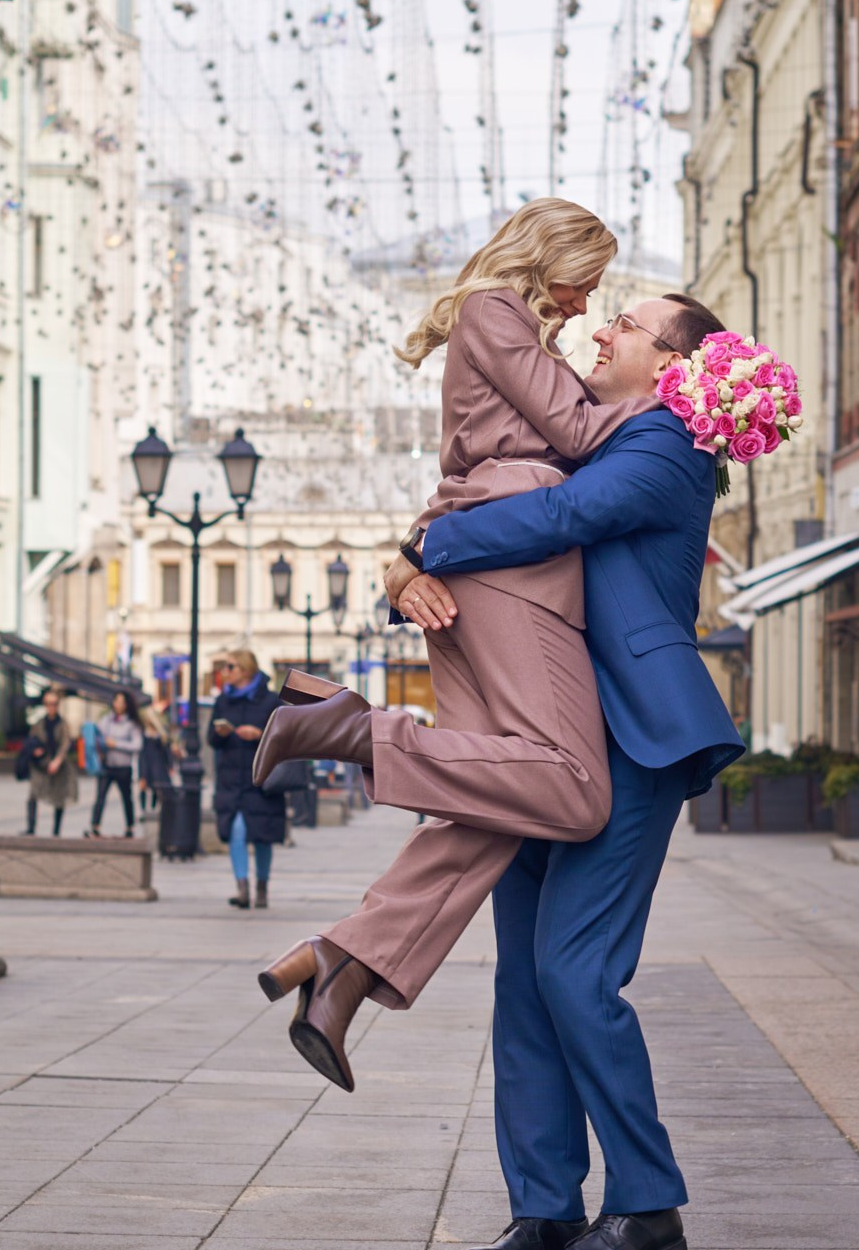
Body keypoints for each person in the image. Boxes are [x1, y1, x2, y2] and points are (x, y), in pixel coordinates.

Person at [267, 293, 743, 1250]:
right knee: (524, 982)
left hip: (633, 740)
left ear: (672, 362)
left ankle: (647, 1203)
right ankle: (545, 1208)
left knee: (575, 973)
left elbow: (563, 518)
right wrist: (405, 571)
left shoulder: (667, 441)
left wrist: (425, 552)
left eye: (626, 324)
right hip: (542, 730)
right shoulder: (584, 434)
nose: (601, 329)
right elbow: (496, 494)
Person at [250, 200, 660, 1036]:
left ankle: (344, 965)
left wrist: (413, 554)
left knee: (490, 798)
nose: (585, 302)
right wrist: (689, 404)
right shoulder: (494, 309)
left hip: (473, 559)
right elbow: (577, 432)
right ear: (550, 257)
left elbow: (472, 467)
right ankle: (350, 729)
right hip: (515, 565)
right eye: (584, 281)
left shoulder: (513, 329)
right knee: (574, 788)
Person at [209, 648, 286, 910]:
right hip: (231, 780)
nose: (225, 672)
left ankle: (262, 888)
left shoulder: (271, 701)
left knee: (262, 836)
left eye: (229, 667)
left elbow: (286, 736)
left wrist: (259, 734)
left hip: (261, 780)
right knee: (236, 831)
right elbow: (211, 740)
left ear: (244, 669)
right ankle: (242, 889)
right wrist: (220, 733)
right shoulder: (223, 701)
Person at [23, 685, 77, 836]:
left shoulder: (63, 723)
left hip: (58, 765)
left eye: (53, 704)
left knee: (59, 797)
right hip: (41, 765)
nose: (51, 707)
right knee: (33, 794)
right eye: (48, 704)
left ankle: (56, 831)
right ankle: (31, 828)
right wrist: (35, 750)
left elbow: (65, 743)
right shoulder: (39, 723)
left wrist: (57, 761)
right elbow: (32, 740)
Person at [87, 692, 142, 837]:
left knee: (126, 798)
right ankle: (95, 826)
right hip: (106, 765)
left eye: (122, 702)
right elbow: (97, 736)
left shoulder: (131, 724)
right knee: (100, 797)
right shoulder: (106, 720)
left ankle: (130, 827)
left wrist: (116, 744)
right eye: (116, 701)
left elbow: (137, 745)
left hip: (123, 767)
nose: (118, 705)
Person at [136, 697, 178, 816]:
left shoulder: (160, 736)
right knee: (144, 786)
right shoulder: (143, 735)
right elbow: (141, 753)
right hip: (146, 764)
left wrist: (170, 765)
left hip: (158, 764)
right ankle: (143, 810)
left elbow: (166, 751)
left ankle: (154, 809)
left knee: (157, 787)